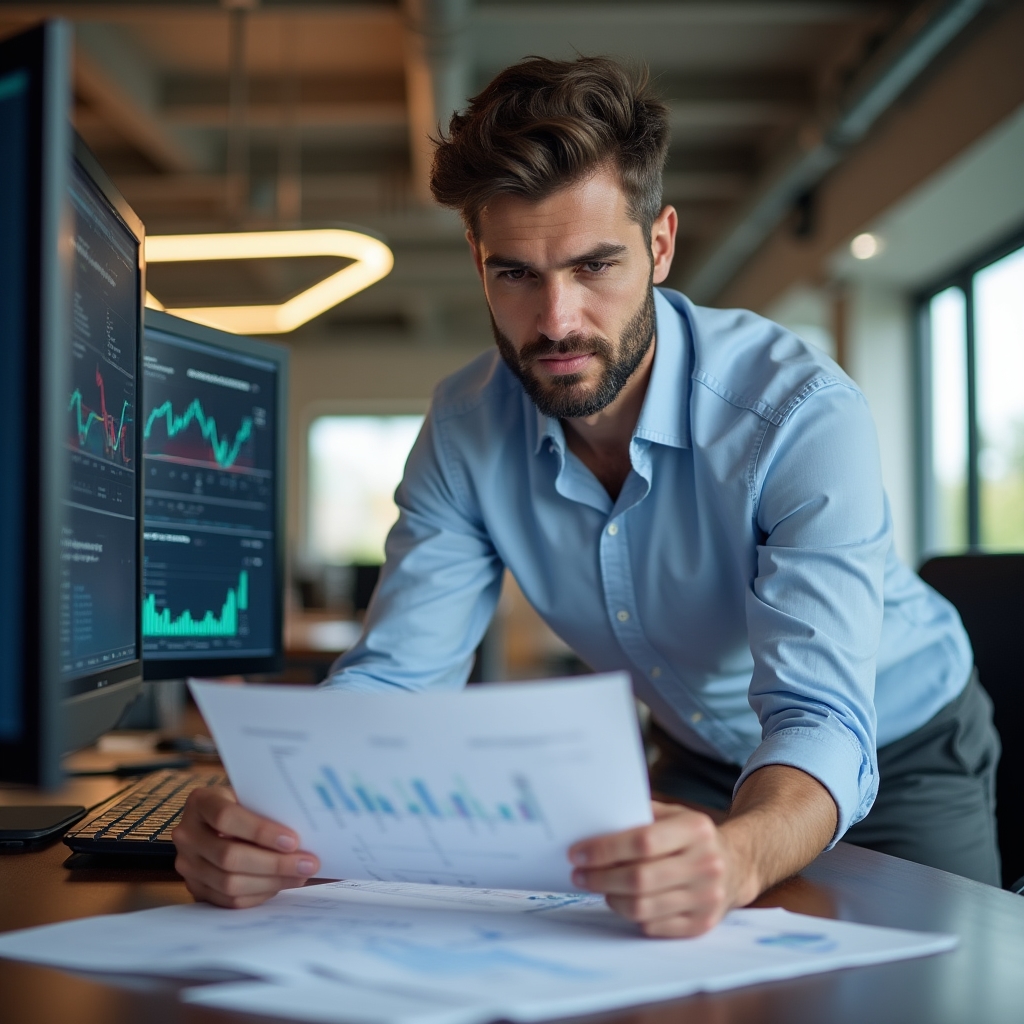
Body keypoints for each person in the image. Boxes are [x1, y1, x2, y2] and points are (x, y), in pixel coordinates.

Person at [173, 56, 1001, 934]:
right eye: (516, 274)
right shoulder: (464, 427)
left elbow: (821, 714)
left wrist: (741, 854)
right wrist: (268, 812)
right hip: (690, 756)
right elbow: (398, 677)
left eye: (594, 265)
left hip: (893, 746)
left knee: (931, 985)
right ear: (477, 259)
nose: (557, 320)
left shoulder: (797, 412)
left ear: (661, 244)